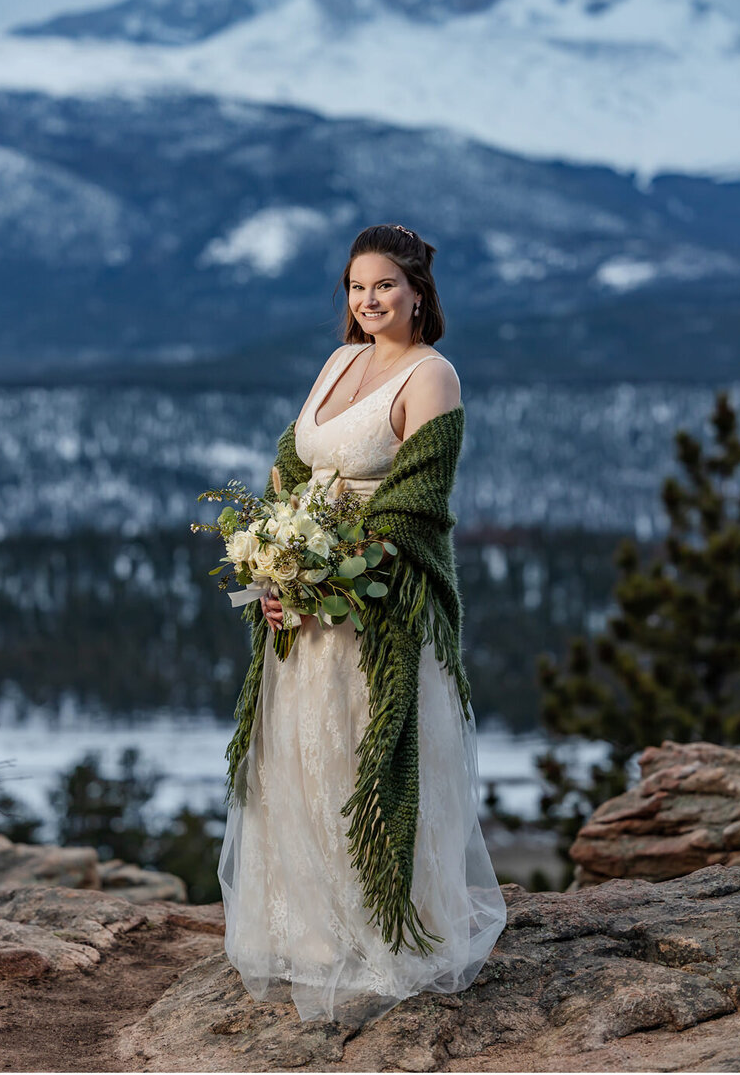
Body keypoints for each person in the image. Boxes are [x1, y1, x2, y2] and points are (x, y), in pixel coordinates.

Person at [217, 223, 507, 1027]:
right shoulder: (339, 361)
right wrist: (273, 567)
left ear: (418, 290)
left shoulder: (432, 376)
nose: (368, 299)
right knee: (301, 759)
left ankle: (385, 928)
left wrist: (327, 568)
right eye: (355, 286)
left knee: (360, 758)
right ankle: (310, 931)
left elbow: (417, 502)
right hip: (308, 607)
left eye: (384, 285)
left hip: (378, 608)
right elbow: (290, 464)